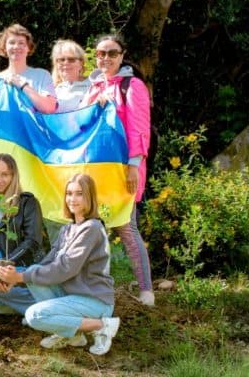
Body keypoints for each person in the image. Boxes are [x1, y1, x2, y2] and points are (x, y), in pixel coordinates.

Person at [0, 174, 121, 355]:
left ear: (89, 197)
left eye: (79, 194)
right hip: (74, 296)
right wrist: (15, 277)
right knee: (34, 271)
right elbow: (48, 263)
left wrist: (21, 277)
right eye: (69, 193)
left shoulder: (92, 228)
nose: (72, 199)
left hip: (95, 301)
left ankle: (102, 325)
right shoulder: (67, 229)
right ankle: (74, 335)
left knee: (34, 315)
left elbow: (66, 268)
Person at [81, 34, 155, 306]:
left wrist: (133, 166)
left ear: (122, 56)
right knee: (90, 228)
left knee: (127, 228)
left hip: (122, 169)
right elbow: (82, 127)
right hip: (94, 170)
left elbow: (139, 128)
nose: (106, 58)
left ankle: (146, 290)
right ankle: (92, 290)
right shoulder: (92, 87)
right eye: (101, 53)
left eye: (112, 53)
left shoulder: (132, 86)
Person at [0, 153, 46, 317]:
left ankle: (38, 310)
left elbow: (32, 241)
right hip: (1, 265)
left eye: (5, 174)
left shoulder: (27, 202)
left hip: (26, 265)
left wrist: (7, 262)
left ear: (13, 176)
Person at [0, 23, 57, 131]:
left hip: (33, 146)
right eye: (12, 42)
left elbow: (49, 108)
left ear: (29, 48)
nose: (16, 46)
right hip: (0, 146)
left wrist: (23, 85)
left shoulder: (41, 75)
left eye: (21, 43)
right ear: (4, 47)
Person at [51, 39, 91, 113]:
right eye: (61, 60)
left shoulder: (93, 86)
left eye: (71, 59)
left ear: (81, 63)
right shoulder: (51, 91)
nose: (66, 63)